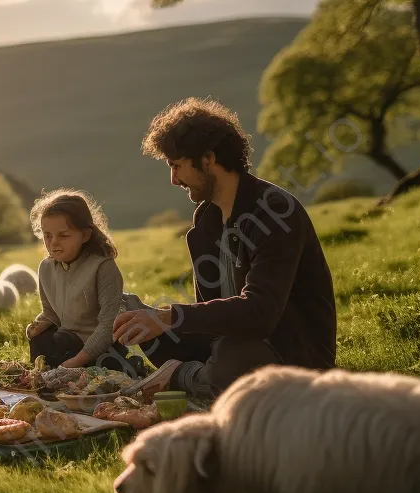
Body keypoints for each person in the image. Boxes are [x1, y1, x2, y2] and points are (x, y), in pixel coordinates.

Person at [113, 98, 337, 400]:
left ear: (208, 159)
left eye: (177, 166)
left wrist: (169, 317)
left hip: (291, 355)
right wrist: (152, 317)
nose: (174, 179)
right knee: (140, 321)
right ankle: (194, 374)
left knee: (233, 355)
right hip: (228, 343)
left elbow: (260, 314)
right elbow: (214, 316)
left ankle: (182, 375)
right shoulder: (207, 220)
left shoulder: (274, 212)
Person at [26, 189, 146, 372]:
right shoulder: (46, 268)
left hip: (101, 346)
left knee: (105, 367)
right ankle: (54, 372)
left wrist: (78, 361)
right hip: (66, 342)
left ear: (85, 235)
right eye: (47, 235)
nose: (53, 243)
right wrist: (39, 324)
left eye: (63, 235)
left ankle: (128, 367)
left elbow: (109, 325)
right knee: (42, 341)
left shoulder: (103, 268)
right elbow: (51, 313)